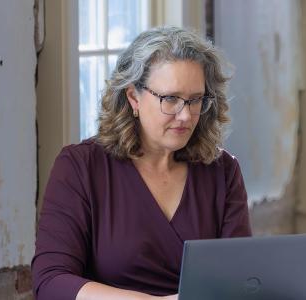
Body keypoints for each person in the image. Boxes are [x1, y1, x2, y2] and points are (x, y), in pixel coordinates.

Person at [31, 26, 252, 300]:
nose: (185, 116)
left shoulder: (223, 172)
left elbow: (240, 281)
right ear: (133, 97)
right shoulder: (80, 167)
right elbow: (51, 282)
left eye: (195, 100)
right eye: (170, 99)